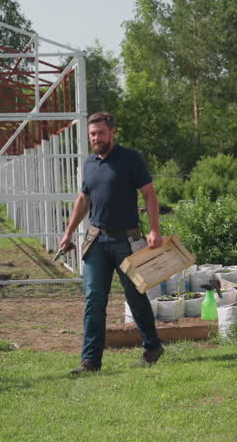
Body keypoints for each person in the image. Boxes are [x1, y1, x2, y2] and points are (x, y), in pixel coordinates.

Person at [58, 110, 163, 374]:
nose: (96, 138)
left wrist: (154, 229)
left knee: (135, 297)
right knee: (94, 298)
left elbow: (149, 194)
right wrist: (69, 232)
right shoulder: (89, 163)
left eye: (101, 133)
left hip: (126, 240)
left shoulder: (130, 158)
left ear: (112, 132)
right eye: (93, 134)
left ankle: (152, 347)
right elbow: (84, 199)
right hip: (97, 239)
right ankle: (90, 361)